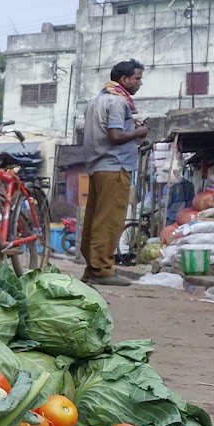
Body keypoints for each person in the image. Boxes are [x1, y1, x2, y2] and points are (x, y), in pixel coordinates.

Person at [80, 59, 149, 287]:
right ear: (124, 80)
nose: (140, 83)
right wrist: (139, 132)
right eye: (137, 78)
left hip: (98, 166)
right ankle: (102, 268)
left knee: (94, 219)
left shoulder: (95, 102)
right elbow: (115, 136)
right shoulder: (119, 103)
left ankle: (92, 268)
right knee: (109, 220)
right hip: (115, 166)